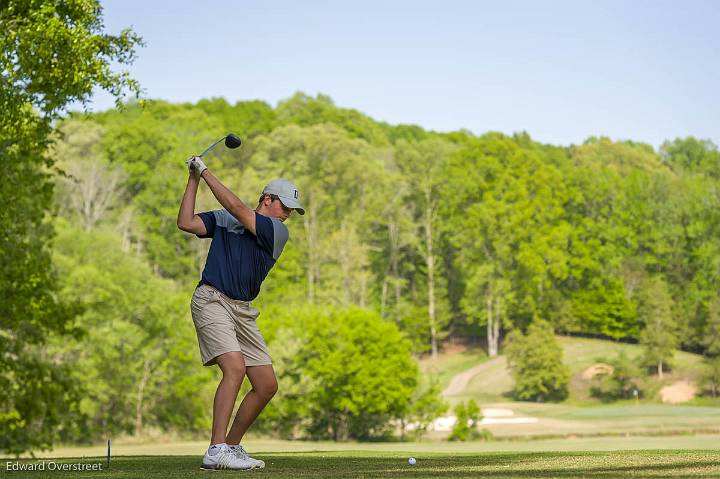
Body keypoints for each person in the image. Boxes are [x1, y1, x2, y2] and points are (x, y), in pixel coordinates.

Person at [177, 155, 304, 470]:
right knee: (234, 368)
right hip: (212, 299)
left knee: (266, 384)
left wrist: (205, 171)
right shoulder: (225, 219)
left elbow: (237, 209)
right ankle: (216, 449)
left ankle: (231, 446)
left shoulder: (276, 232)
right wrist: (193, 178)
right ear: (267, 199)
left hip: (242, 310)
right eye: (284, 207)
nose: (287, 215)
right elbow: (186, 222)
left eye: (291, 211)